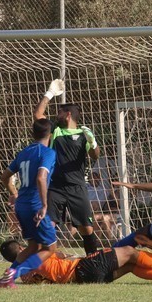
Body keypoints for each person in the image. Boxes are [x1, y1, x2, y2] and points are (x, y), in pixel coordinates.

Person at [34, 79, 101, 254]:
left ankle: (94, 262)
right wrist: (49, 94)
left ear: (68, 115)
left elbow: (95, 156)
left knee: (86, 228)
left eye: (59, 112)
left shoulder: (83, 134)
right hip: (55, 187)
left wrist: (93, 143)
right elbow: (38, 116)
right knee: (48, 226)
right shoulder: (55, 130)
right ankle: (44, 265)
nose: (56, 115)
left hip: (78, 187)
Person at [0, 118, 57, 289]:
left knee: (33, 246)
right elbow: (41, 177)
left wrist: (14, 193)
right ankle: (14, 274)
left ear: (33, 134)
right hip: (35, 205)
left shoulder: (23, 152)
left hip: (21, 205)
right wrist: (44, 206)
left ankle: (6, 279)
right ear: (50, 135)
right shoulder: (47, 153)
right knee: (50, 248)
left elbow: (4, 177)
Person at [0, 239, 152, 286]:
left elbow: (42, 279)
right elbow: (58, 252)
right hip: (84, 267)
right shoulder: (36, 252)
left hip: (84, 279)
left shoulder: (23, 274)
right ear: (21, 246)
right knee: (130, 251)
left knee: (129, 266)